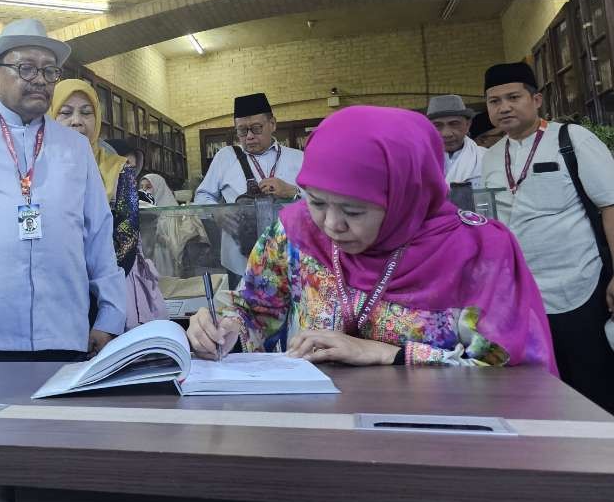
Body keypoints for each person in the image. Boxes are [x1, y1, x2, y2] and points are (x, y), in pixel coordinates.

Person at [188, 106, 555, 372]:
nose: (332, 224)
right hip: (318, 432)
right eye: (316, 201)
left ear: (404, 196)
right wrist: (226, 328)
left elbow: (508, 362)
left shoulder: (477, 250)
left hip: (438, 442)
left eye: (354, 211)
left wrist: (388, 353)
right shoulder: (294, 231)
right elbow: (257, 307)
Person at [0, 19, 125, 365]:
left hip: (65, 328)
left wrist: (110, 314)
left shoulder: (74, 146)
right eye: (26, 69)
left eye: (49, 71)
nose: (40, 80)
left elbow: (98, 235)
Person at [481, 62, 614, 411]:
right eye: (494, 101)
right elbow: (490, 223)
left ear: (536, 99)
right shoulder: (491, 158)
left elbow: (611, 204)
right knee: (545, 384)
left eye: (513, 97)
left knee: (594, 378)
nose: (504, 107)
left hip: (581, 286)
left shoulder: (570, 140)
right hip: (524, 295)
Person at [194, 93, 303, 274]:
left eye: (257, 128)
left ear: (273, 124)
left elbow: (322, 201)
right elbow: (202, 195)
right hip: (239, 261)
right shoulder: (225, 157)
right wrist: (217, 211)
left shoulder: (298, 159)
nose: (249, 136)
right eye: (242, 131)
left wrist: (292, 191)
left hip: (291, 257)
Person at [51, 81, 139, 273]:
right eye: (65, 112)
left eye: (86, 112)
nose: (76, 120)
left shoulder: (120, 170)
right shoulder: (35, 169)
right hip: (50, 284)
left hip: (103, 287)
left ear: (97, 117)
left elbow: (127, 239)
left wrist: (91, 282)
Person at [141, 173, 210, 277]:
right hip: (148, 258)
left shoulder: (172, 211)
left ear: (159, 187)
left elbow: (177, 242)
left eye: (148, 187)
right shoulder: (143, 211)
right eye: (141, 187)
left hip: (166, 259)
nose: (144, 191)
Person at [427, 94, 485, 186]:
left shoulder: (486, 157)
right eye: (437, 126)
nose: (446, 134)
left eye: (454, 124)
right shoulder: (419, 162)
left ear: (468, 125)